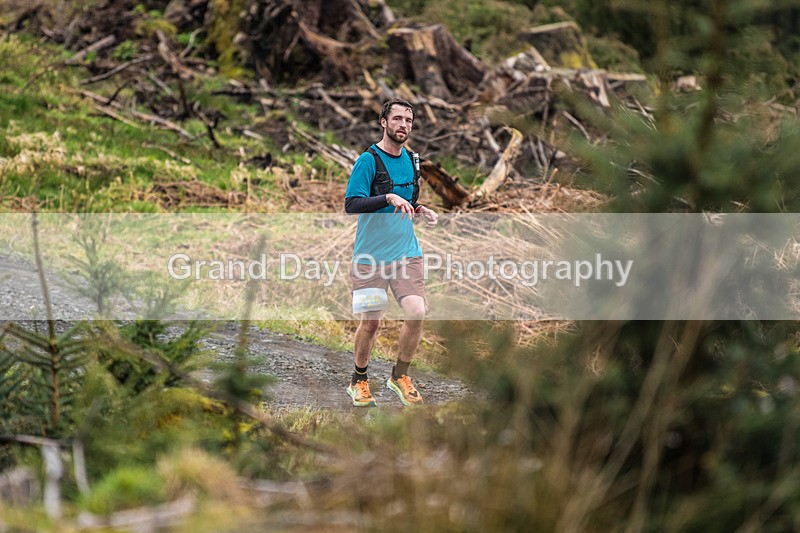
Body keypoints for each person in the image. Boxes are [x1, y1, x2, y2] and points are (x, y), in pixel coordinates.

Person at [344, 98, 439, 407]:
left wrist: (421, 209)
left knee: (417, 311)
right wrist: (386, 197)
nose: (403, 125)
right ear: (383, 122)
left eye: (408, 121)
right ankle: (358, 380)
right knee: (371, 323)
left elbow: (408, 199)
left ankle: (399, 375)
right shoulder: (368, 160)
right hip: (371, 257)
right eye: (397, 119)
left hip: (405, 252)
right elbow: (352, 204)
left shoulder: (412, 159)